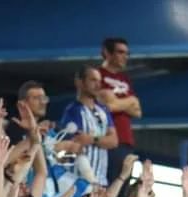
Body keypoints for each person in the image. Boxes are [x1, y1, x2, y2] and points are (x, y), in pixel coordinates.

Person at [59, 66, 117, 187]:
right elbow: (72, 145)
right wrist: (102, 140)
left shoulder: (103, 110)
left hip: (101, 181)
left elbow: (114, 141)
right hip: (77, 181)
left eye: (99, 81)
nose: (98, 85)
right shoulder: (73, 110)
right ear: (80, 82)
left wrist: (91, 139)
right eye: (93, 80)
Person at [97, 37, 141, 182]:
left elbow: (137, 111)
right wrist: (129, 102)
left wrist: (115, 102)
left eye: (127, 53)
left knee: (121, 187)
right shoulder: (97, 76)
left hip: (126, 141)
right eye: (120, 52)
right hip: (107, 139)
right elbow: (105, 106)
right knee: (105, 186)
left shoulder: (125, 79)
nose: (125, 56)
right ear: (107, 53)